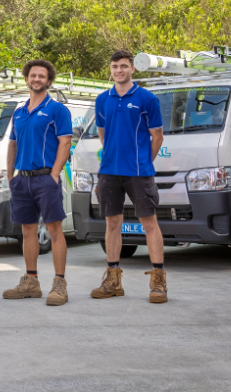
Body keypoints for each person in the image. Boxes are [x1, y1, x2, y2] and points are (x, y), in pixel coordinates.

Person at [90, 49, 167, 304]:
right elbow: (103, 135)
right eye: (115, 66)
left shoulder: (147, 99)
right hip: (109, 171)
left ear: (133, 69)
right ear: (110, 69)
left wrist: (144, 162)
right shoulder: (102, 100)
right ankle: (113, 280)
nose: (119, 70)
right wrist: (113, 156)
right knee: (112, 224)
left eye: (124, 66)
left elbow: (157, 136)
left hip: (139, 173)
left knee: (149, 223)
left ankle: (158, 281)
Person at [2, 59, 74, 306]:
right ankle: (31, 282)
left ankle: (59, 284)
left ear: (49, 80)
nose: (37, 79)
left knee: (54, 231)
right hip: (22, 180)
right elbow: (12, 144)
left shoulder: (58, 110)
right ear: (27, 78)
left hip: (46, 179)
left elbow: (65, 143)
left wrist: (54, 174)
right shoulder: (19, 112)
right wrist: (10, 175)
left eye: (42, 76)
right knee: (27, 230)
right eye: (33, 75)